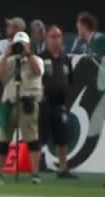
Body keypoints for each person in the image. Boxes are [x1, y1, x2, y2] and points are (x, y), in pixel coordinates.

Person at [0, 30, 44, 185]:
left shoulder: (36, 59)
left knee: (32, 139)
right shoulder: (10, 61)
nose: (20, 47)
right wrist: (6, 55)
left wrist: (28, 55)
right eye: (17, 45)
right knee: (3, 140)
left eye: (23, 44)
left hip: (28, 102)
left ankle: (35, 174)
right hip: (10, 102)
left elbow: (38, 71)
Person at [38, 24, 75, 179]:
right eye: (53, 36)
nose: (56, 39)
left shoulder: (66, 59)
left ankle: (63, 168)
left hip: (60, 104)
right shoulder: (40, 57)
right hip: (44, 103)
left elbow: (71, 80)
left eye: (59, 36)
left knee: (62, 137)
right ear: (47, 39)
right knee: (40, 136)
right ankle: (37, 167)